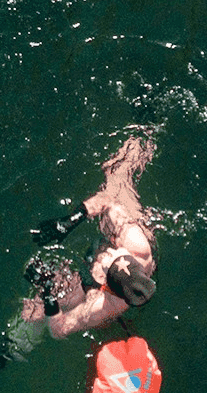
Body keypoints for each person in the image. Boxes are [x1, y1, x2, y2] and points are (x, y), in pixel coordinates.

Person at [21, 135, 159, 340]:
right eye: (114, 253)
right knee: (115, 174)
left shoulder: (102, 306)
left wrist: (48, 293)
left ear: (107, 286)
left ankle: (9, 349)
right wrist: (70, 221)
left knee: (32, 313)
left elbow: (59, 330)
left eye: (105, 266)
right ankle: (146, 132)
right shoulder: (137, 244)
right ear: (128, 255)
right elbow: (109, 201)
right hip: (128, 254)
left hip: (94, 289)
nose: (104, 256)